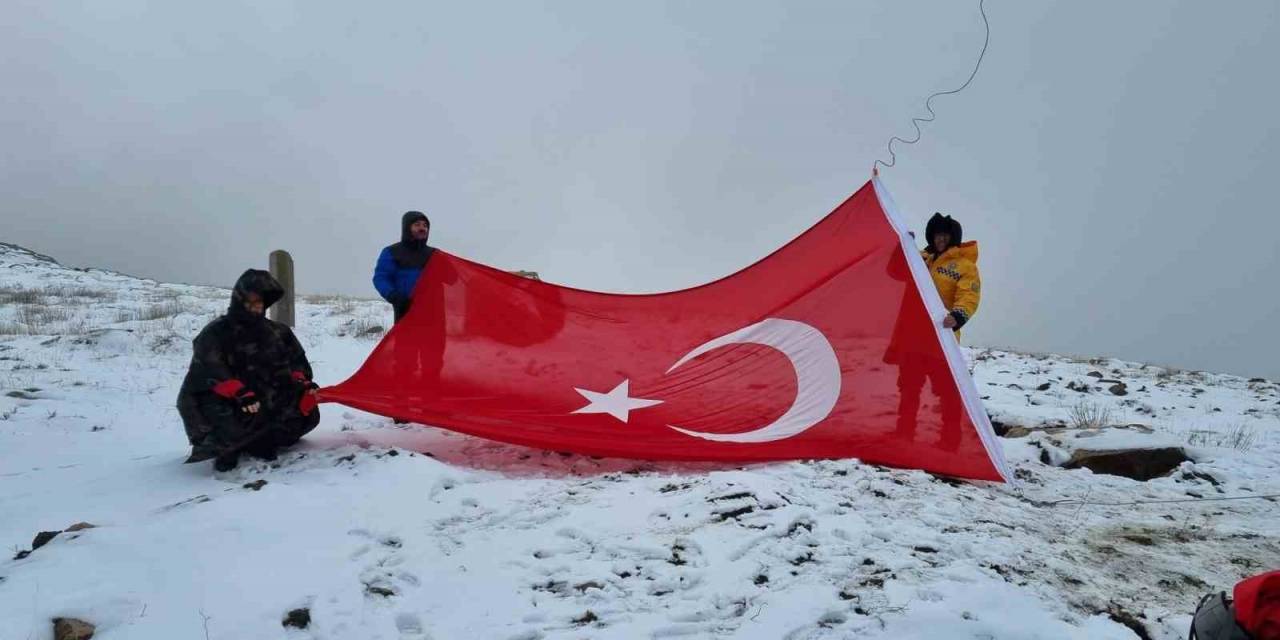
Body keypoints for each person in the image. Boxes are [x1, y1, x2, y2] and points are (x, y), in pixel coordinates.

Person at [177, 269, 320, 471]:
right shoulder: (216, 333)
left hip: (265, 400)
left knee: (307, 411)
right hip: (230, 401)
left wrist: (303, 383)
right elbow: (210, 369)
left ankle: (262, 441)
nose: (255, 308)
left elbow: (296, 362)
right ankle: (226, 448)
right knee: (223, 418)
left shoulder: (278, 332)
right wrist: (239, 392)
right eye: (250, 302)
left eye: (259, 303)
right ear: (238, 300)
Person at [883, 213, 982, 449]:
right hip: (912, 336)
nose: (940, 239)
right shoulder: (920, 259)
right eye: (937, 235)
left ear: (953, 237)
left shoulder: (964, 267)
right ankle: (904, 433)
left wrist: (957, 316)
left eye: (945, 235)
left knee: (947, 390)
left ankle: (950, 441)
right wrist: (903, 247)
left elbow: (969, 296)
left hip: (940, 339)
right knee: (909, 387)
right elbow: (895, 271)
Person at [373, 211, 434, 323]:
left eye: (425, 225)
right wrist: (393, 295)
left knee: (434, 341)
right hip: (405, 308)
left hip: (433, 310)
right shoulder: (392, 252)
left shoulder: (435, 254)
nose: (422, 228)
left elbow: (452, 277)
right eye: (417, 224)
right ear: (407, 227)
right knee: (406, 341)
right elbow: (381, 278)